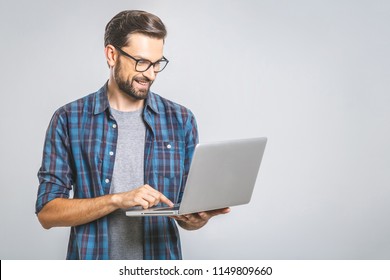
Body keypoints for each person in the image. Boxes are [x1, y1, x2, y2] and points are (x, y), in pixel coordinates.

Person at [35, 10, 229, 260]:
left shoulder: (181, 120)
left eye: (157, 63)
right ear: (112, 55)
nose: (150, 73)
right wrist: (117, 200)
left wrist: (196, 219)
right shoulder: (68, 119)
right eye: (141, 62)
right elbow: (47, 213)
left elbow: (185, 216)